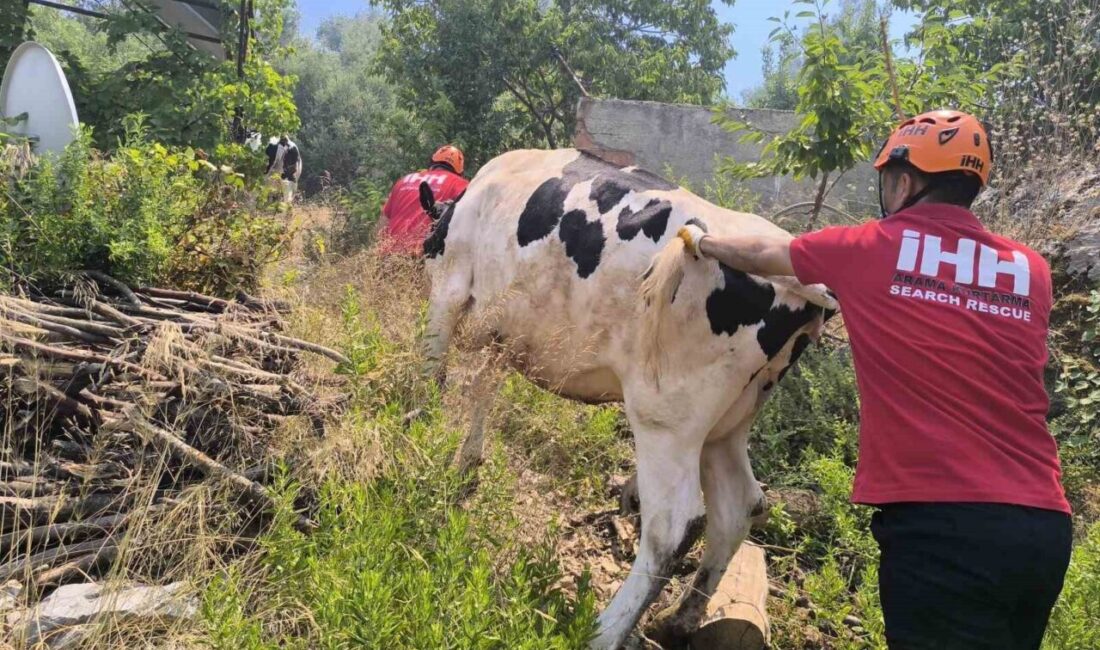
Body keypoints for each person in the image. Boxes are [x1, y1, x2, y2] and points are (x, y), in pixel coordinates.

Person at [678, 110, 1071, 650]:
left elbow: (768, 255)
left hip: (941, 527)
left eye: (889, 179)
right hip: (1042, 526)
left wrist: (705, 243)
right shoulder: (1032, 270)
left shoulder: (872, 247)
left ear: (905, 181)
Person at [379, 145, 469, 255]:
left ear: (432, 163)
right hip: (421, 257)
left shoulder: (403, 181)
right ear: (459, 172)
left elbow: (383, 221)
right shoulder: (460, 185)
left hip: (388, 256)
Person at [264, 135, 302, 203]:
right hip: (288, 176)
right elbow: (296, 169)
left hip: (278, 174)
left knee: (269, 190)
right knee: (287, 192)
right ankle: (286, 207)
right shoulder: (293, 146)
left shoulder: (271, 144)